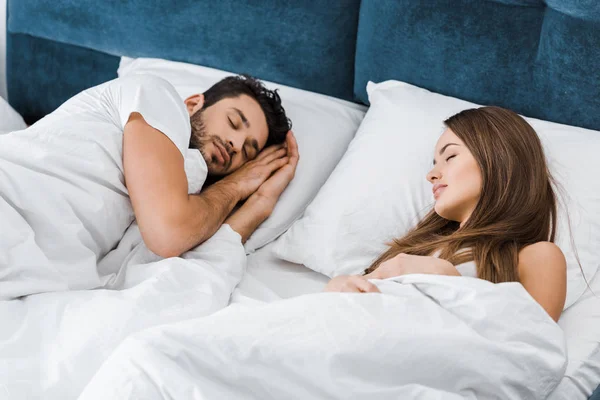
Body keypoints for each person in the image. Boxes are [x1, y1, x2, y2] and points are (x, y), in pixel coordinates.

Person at [0, 73, 298, 299]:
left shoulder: (185, 197)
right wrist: (237, 184)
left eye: (247, 152)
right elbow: (169, 233)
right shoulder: (156, 97)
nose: (234, 144)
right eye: (233, 122)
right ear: (194, 103)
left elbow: (169, 271)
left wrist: (260, 202)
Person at [325, 106, 567, 322]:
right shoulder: (417, 248)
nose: (431, 174)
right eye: (434, 162)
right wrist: (339, 286)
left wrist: (448, 280)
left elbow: (532, 352)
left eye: (450, 156)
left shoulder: (536, 255)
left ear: (500, 159)